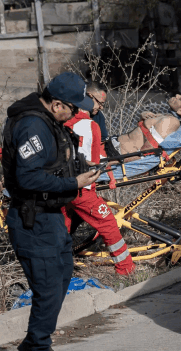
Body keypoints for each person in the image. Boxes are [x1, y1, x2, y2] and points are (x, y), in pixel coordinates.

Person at [1, 72, 101, 351]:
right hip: (32, 219)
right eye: (72, 108)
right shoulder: (33, 125)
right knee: (46, 289)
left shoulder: (49, 122)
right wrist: (73, 183)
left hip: (51, 215)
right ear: (57, 104)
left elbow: (52, 164)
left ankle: (34, 344)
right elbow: (28, 178)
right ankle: (38, 346)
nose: (74, 114)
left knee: (62, 277)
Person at [61, 107, 135, 275]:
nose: (99, 108)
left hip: (60, 187)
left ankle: (60, 270)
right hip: (82, 190)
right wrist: (109, 174)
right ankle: (126, 269)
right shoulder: (91, 125)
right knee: (108, 223)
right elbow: (95, 161)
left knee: (62, 227)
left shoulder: (56, 122)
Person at [85, 81, 115, 157]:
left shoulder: (98, 116)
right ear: (89, 96)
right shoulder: (69, 114)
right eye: (99, 103)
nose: (101, 107)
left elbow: (103, 141)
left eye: (102, 104)